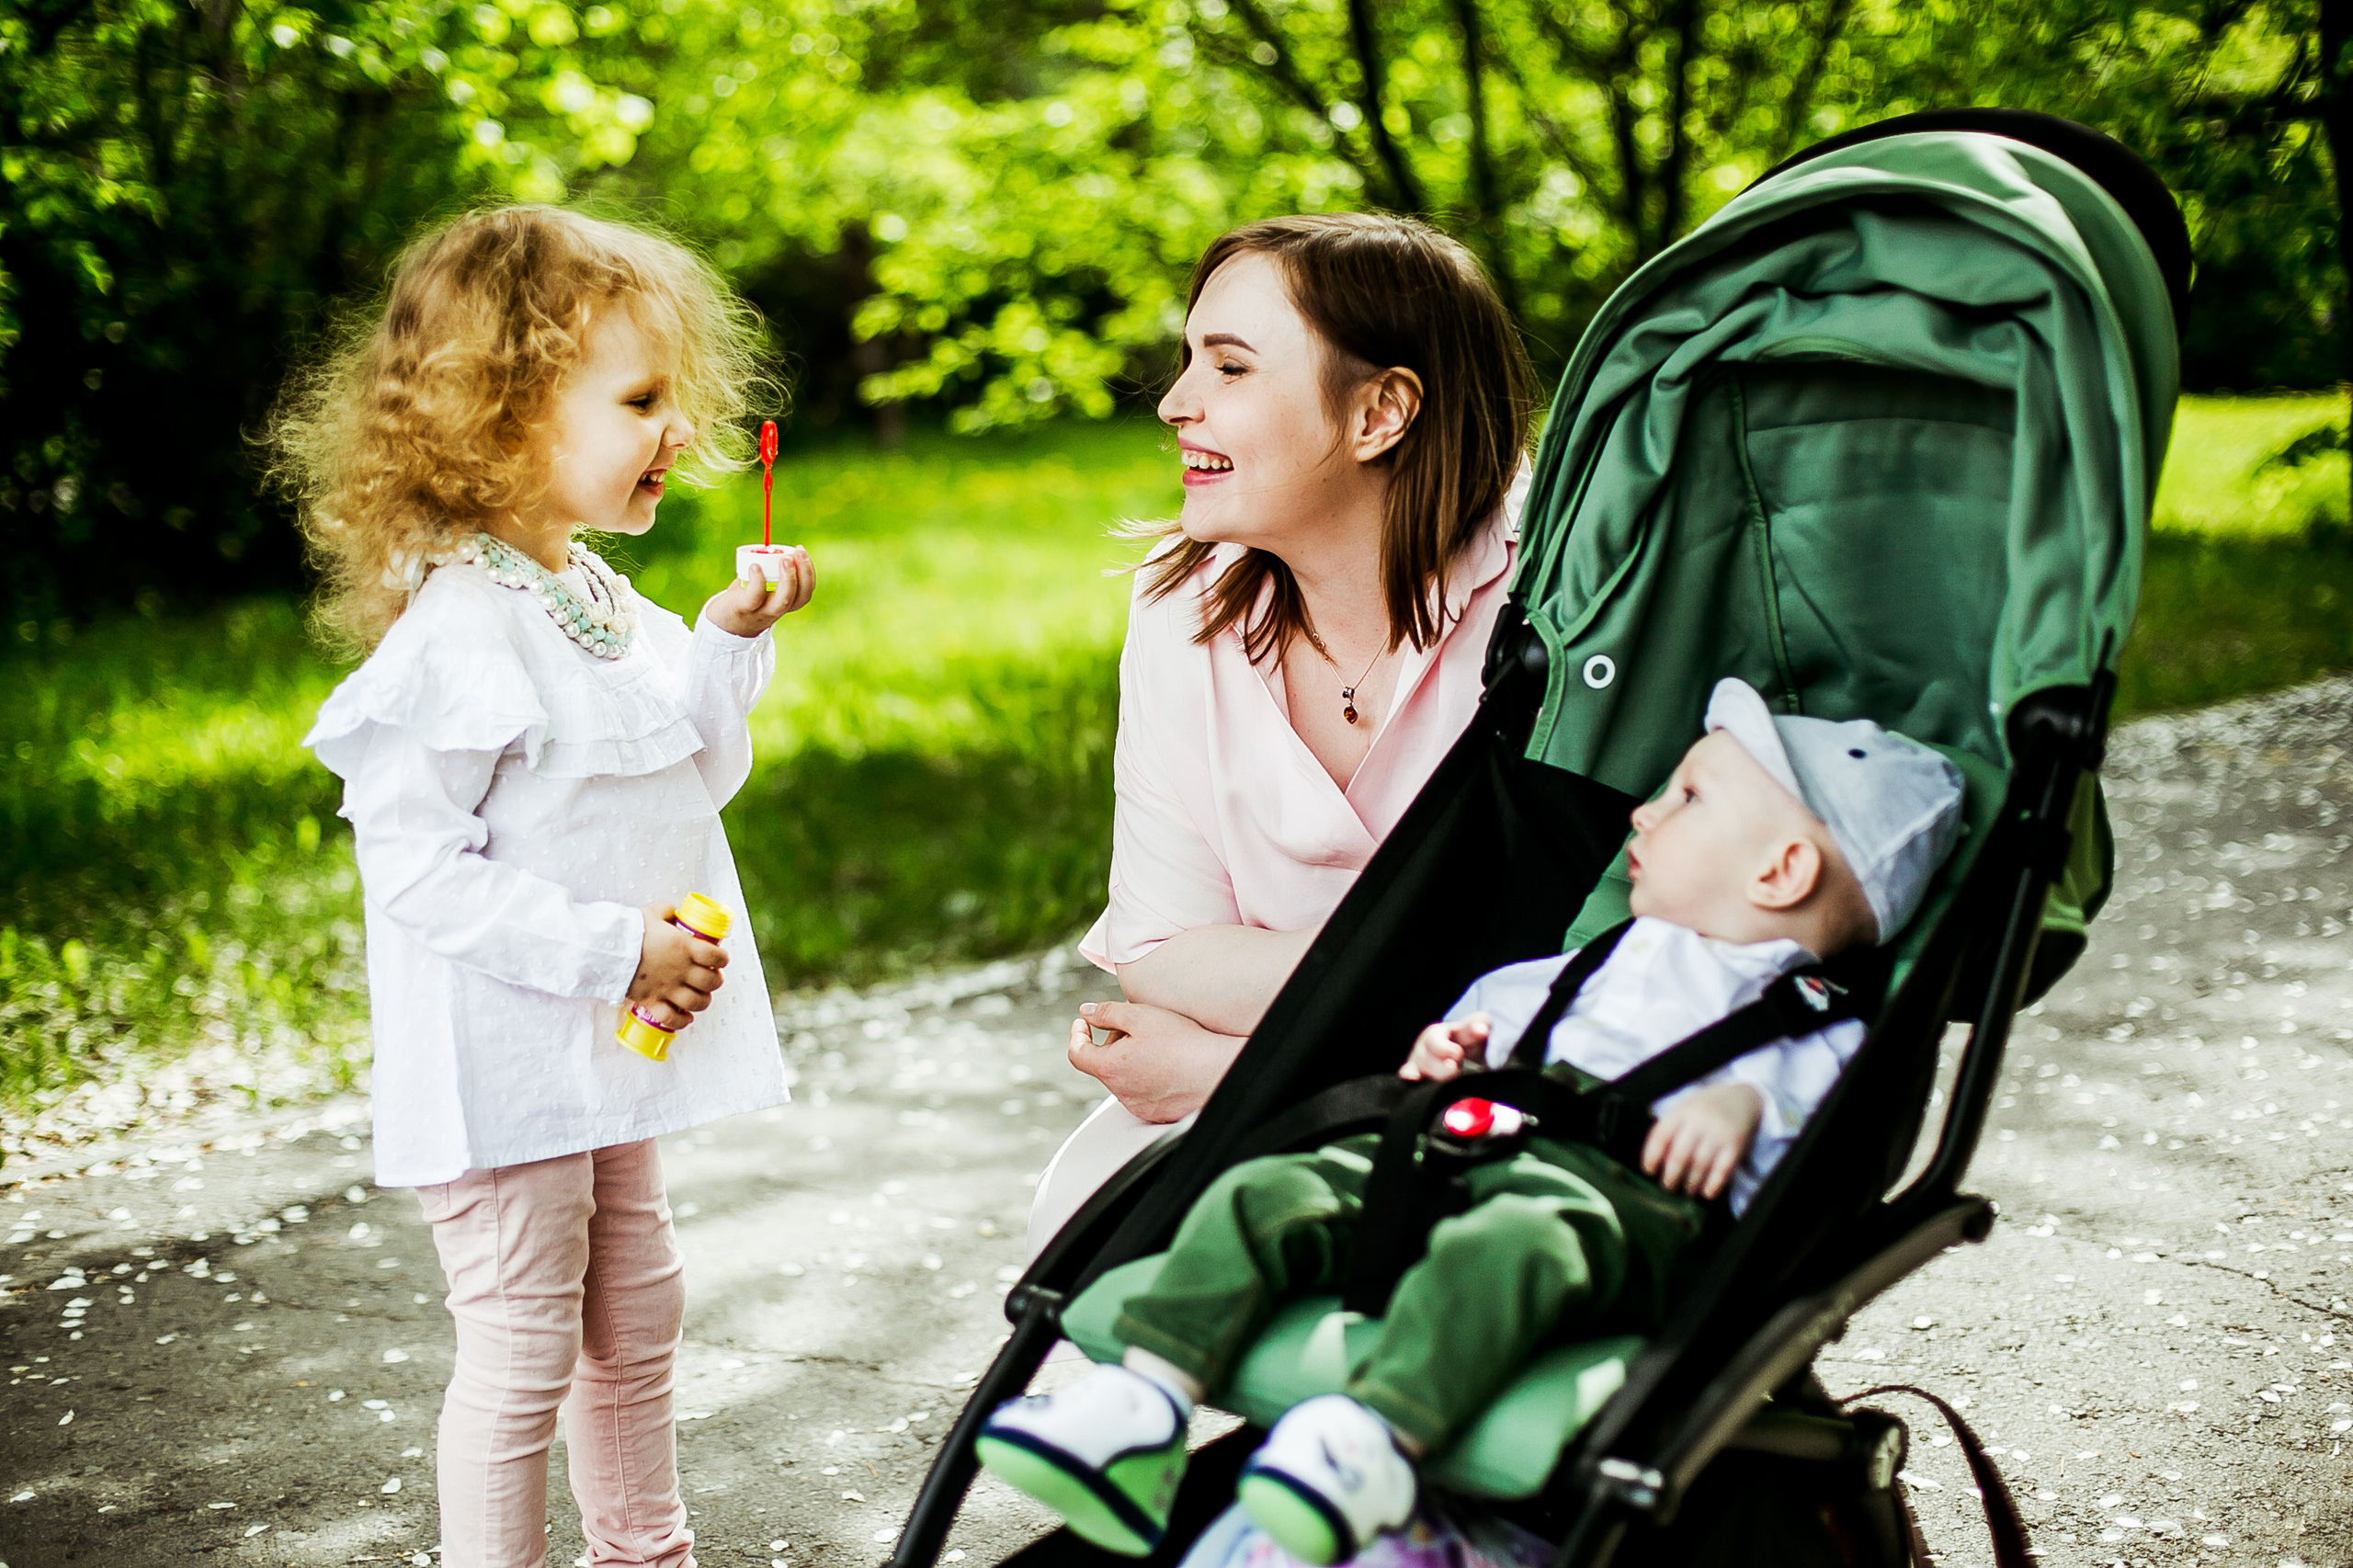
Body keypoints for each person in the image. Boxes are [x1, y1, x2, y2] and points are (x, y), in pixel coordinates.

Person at [980, 678, 1967, 1564]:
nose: (1644, 808)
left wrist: (1741, 1103)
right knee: (1268, 1191)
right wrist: (1453, 1050)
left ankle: (1374, 1438)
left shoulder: (1808, 1023)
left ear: (1781, 871)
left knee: (1509, 1247)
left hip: (1607, 1205)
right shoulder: (1598, 956)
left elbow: (1827, 1136)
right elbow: (1491, 1013)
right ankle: (1141, 1403)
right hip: (1467, 1143)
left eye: (1688, 797)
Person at [280, 206, 813, 1568]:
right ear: (504, 415)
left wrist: (724, 639)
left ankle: (645, 1552)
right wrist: (614, 948)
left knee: (636, 1310)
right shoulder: (462, 628)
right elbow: (416, 871)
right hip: (504, 1076)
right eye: (640, 401)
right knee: (524, 1344)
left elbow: (687, 775)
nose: (679, 429)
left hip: (597, 1063)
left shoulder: (590, 596)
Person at [1038, 213, 1536, 1249]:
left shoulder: (1553, 604)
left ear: (1379, 413)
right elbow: (1161, 951)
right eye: (1190, 360)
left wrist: (1233, 1071)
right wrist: (1423, 994)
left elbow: (1579, 972)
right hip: (1320, 1103)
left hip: (1522, 1118)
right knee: (1087, 1245)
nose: (1176, 402)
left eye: (1229, 367)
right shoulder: (1178, 603)